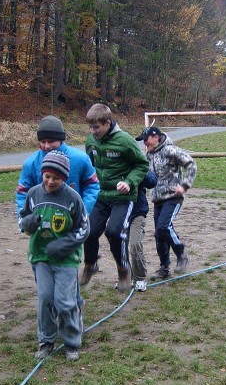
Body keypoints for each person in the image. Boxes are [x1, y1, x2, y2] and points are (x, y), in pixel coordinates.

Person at [16, 115, 100, 304]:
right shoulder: (31, 163)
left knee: (67, 265)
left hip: (68, 224)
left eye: (51, 141)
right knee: (41, 262)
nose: (46, 146)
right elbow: (22, 192)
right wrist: (25, 220)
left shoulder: (79, 159)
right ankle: (49, 304)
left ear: (62, 139)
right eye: (42, 141)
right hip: (41, 226)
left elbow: (93, 185)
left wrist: (83, 211)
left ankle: (73, 304)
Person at [19, 150, 90, 361]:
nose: (50, 182)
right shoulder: (33, 194)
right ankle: (46, 339)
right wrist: (27, 223)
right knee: (45, 297)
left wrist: (65, 244)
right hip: (41, 256)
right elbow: (22, 219)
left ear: (64, 178)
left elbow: (84, 228)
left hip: (66, 258)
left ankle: (72, 341)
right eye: (47, 176)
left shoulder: (72, 198)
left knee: (65, 301)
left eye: (56, 178)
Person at [81, 103, 149, 291]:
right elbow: (90, 166)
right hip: (102, 195)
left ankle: (123, 269)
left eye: (96, 127)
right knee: (89, 230)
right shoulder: (91, 142)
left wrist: (129, 181)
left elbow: (142, 165)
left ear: (107, 123)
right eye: (90, 127)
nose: (93, 131)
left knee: (114, 231)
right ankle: (91, 264)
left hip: (123, 197)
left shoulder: (125, 140)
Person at [135, 126, 197, 280]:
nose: (144, 143)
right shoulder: (148, 155)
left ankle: (181, 253)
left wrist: (184, 185)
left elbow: (191, 164)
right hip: (157, 199)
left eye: (146, 139)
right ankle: (164, 268)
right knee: (159, 234)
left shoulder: (170, 150)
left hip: (173, 197)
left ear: (155, 137)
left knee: (164, 227)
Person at [129, 170, 157, 292]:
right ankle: (125, 276)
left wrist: (139, 165)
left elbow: (152, 181)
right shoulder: (112, 162)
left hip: (137, 212)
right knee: (119, 246)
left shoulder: (137, 162)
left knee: (135, 244)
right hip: (118, 211)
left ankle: (139, 277)